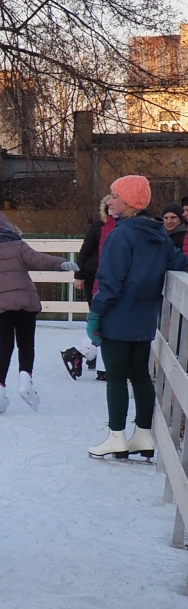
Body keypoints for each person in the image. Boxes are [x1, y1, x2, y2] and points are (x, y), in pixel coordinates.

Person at [87, 175, 187, 460]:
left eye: (116, 196)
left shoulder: (122, 235)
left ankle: (116, 436)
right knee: (140, 375)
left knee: (117, 377)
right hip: (144, 316)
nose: (111, 200)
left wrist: (95, 313)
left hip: (118, 315)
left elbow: (110, 281)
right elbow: (178, 262)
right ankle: (143, 434)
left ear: (129, 202)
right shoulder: (158, 234)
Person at [0, 212, 73, 414]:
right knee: (26, 343)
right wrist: (61, 263)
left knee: (4, 347)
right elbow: (39, 260)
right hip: (24, 301)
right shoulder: (18, 245)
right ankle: (25, 382)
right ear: (10, 228)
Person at [66, 195, 119, 380]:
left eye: (114, 207)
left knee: (106, 321)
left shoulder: (123, 228)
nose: (112, 211)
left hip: (111, 279)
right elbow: (84, 251)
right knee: (99, 320)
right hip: (93, 278)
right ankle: (91, 358)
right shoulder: (98, 228)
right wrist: (78, 275)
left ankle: (87, 354)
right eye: (109, 208)